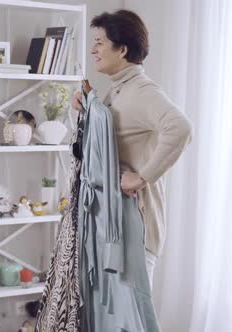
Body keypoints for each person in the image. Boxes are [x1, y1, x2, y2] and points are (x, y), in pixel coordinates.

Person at [72, 9, 193, 289]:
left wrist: (143, 176)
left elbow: (181, 127)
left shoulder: (142, 91)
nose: (93, 50)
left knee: (135, 318)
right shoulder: (118, 90)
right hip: (116, 221)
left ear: (122, 49)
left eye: (100, 42)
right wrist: (85, 108)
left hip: (136, 222)